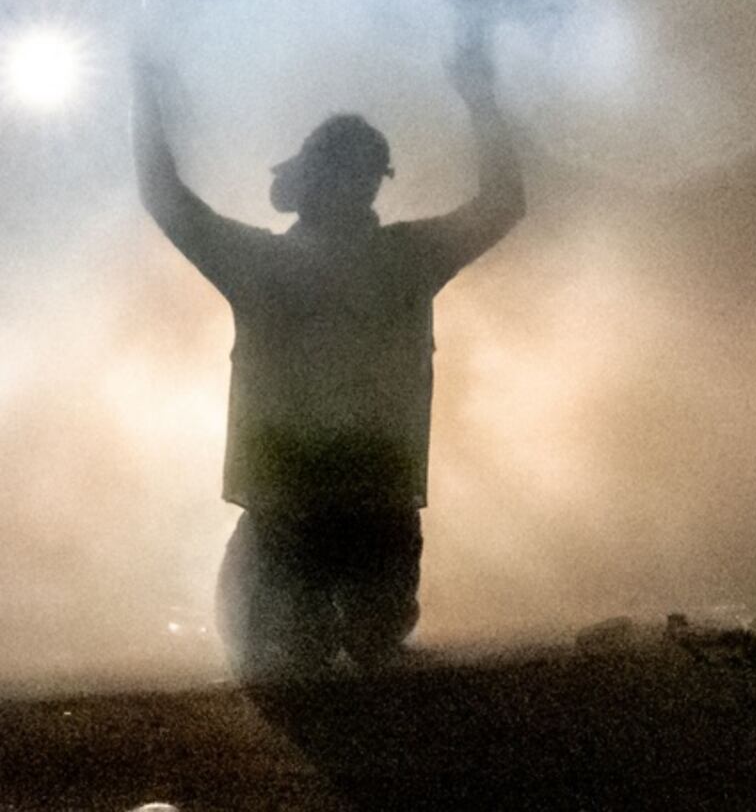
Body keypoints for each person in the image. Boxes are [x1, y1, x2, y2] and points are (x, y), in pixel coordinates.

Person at [131, 35, 525, 678]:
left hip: (305, 505)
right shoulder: (404, 259)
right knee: (349, 644)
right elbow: (504, 204)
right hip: (359, 501)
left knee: (293, 650)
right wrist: (481, 96)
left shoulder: (266, 264)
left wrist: (146, 100)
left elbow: (166, 199)